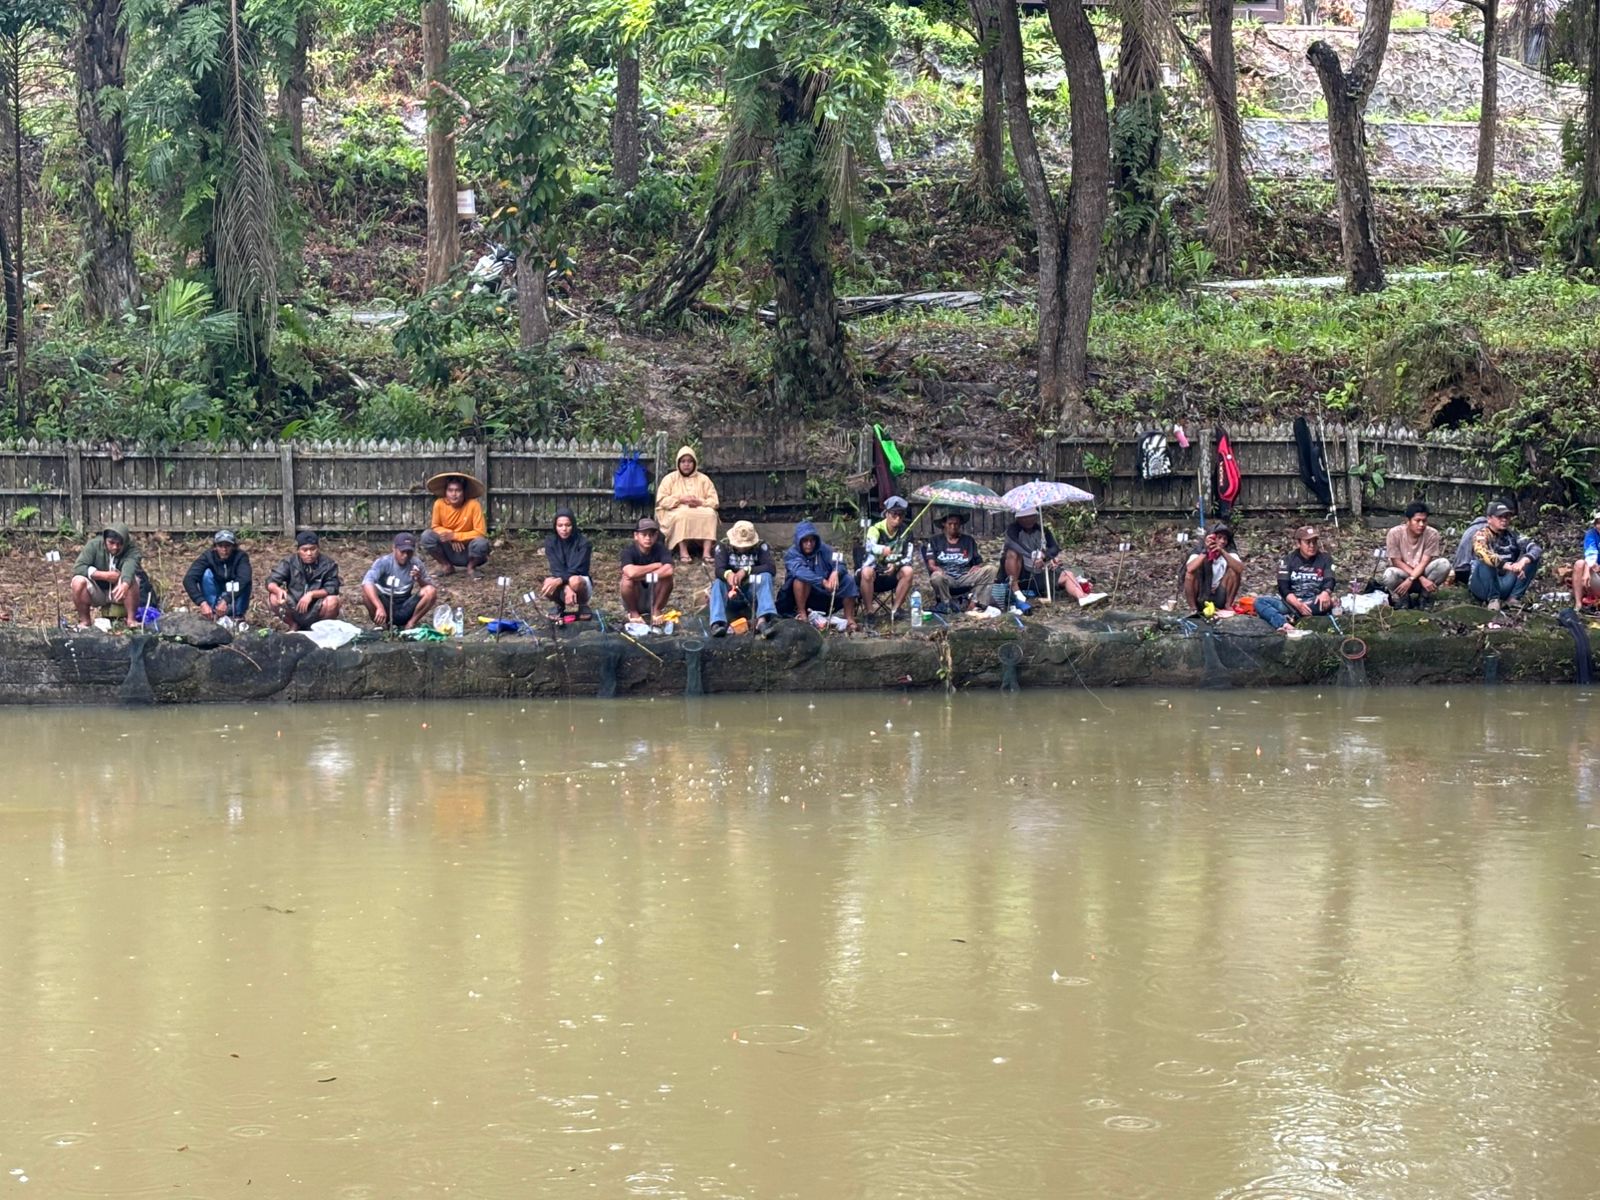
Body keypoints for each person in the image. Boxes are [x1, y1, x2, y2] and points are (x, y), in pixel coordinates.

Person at [1002, 507, 1107, 610]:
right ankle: (1015, 589)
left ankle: (1082, 597)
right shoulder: (1012, 530)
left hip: (1039, 573)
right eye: (1025, 518)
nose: (1028, 520)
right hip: (1021, 573)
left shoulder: (1042, 530)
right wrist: (1033, 555)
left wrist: (1046, 556)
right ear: (1018, 519)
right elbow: (1014, 544)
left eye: (1031, 517)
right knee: (1013, 553)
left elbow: (1054, 548)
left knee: (1067, 575)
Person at [1455, 500, 1541, 611]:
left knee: (1532, 559)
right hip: (1482, 585)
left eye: (1507, 517)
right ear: (1489, 519)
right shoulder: (1481, 534)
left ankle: (1514, 598)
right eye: (1500, 517)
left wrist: (1522, 562)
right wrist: (1509, 566)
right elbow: (1483, 553)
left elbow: (1535, 548)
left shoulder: (1513, 535)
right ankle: (1493, 599)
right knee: (1486, 561)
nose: (1504, 520)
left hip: (1505, 581)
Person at [1254, 525, 1335, 633]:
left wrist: (1326, 592)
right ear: (1298, 543)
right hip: (1292, 603)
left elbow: (1330, 580)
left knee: (1331, 602)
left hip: (1314, 601)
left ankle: (1295, 616)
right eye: (1308, 542)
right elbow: (1283, 587)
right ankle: (1283, 623)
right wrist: (1297, 604)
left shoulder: (1325, 559)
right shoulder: (1288, 560)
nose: (1312, 546)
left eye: (1314, 542)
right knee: (1259, 602)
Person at [781, 520, 859, 630]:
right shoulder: (792, 554)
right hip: (806, 593)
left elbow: (841, 563)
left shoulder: (824, 549)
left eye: (811, 540)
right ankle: (802, 613)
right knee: (801, 580)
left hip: (827, 592)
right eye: (805, 541)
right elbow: (800, 571)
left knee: (848, 580)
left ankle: (849, 619)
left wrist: (835, 571)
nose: (809, 544)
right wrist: (822, 581)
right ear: (799, 541)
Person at [710, 520, 778, 637]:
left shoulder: (761, 546)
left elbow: (771, 568)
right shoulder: (722, 546)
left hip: (751, 589)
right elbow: (718, 570)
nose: (743, 548)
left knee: (765, 577)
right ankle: (717, 623)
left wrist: (747, 570)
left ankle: (762, 621)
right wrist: (728, 574)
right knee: (717, 583)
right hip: (731, 591)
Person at [69, 522, 144, 629]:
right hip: (96, 591)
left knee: (133, 579)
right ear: (104, 540)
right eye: (111, 543)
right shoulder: (93, 545)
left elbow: (130, 566)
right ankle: (85, 621)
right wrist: (103, 575)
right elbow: (78, 567)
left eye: (119, 544)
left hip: (118, 591)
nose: (115, 547)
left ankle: (131, 620)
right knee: (77, 582)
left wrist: (125, 583)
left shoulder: (131, 550)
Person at [1380, 501, 1452, 608]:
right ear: (1407, 521)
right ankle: (1404, 599)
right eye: (1417, 521)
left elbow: (1424, 562)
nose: (1421, 525)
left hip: (1424, 573)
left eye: (1424, 521)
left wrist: (1414, 578)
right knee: (1388, 575)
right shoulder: (1394, 533)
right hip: (1404, 576)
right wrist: (1415, 578)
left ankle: (1424, 597)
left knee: (1444, 564)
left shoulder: (1432, 534)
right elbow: (1396, 562)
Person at [360, 533, 439, 630]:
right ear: (394, 549)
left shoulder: (416, 564)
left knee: (430, 591)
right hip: (385, 604)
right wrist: (379, 606)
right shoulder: (383, 562)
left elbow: (431, 588)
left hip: (404, 604)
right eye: (402, 551)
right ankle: (382, 626)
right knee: (366, 593)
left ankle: (410, 624)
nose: (405, 555)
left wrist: (419, 579)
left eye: (409, 552)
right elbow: (366, 582)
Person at [655, 445, 719, 564]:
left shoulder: (704, 479)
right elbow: (662, 500)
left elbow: (714, 501)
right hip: (676, 510)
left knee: (711, 514)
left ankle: (706, 552)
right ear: (678, 463)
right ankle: (683, 552)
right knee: (682, 515)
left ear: (694, 463)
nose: (686, 464)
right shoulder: (670, 479)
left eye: (690, 461)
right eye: (683, 461)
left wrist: (700, 502)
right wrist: (680, 499)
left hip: (700, 508)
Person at [923, 511, 998, 612]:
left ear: (960, 525)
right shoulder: (934, 541)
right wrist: (938, 570)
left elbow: (978, 560)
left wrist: (978, 566)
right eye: (950, 524)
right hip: (946, 576)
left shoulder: (969, 541)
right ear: (943, 524)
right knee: (936, 577)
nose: (953, 527)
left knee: (991, 569)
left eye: (956, 524)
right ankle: (946, 604)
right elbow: (931, 564)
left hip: (965, 576)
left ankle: (975, 603)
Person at [267, 531, 343, 630]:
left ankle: (320, 629)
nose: (309, 553)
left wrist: (311, 594)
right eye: (305, 550)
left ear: (318, 549)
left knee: (333, 601)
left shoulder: (328, 564)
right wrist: (278, 590)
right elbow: (271, 582)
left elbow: (332, 588)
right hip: (294, 604)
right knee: (273, 597)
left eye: (313, 549)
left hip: (317, 606)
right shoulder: (289, 562)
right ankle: (293, 625)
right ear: (298, 550)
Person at [858, 495, 918, 618]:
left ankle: (895, 610)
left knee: (908, 571)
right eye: (894, 514)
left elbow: (908, 557)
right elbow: (870, 547)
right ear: (886, 514)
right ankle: (870, 612)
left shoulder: (907, 532)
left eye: (901, 515)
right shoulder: (875, 529)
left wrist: (896, 564)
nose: (897, 518)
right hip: (874, 573)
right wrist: (882, 549)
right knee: (866, 572)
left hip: (893, 573)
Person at [421, 473, 491, 577]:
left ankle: (471, 567)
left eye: (458, 490)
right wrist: (450, 537)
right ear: (446, 492)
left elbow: (480, 532)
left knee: (482, 543)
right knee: (427, 536)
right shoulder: (439, 504)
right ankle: (446, 566)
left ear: (464, 492)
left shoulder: (473, 505)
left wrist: (456, 536)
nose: (454, 494)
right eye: (450, 490)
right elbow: (435, 526)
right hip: (448, 549)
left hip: (468, 550)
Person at [182, 529, 253, 622]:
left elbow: (244, 579)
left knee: (245, 582)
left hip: (234, 596)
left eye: (228, 546)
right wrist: (201, 602)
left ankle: (238, 616)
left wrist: (226, 600)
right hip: (215, 593)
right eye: (220, 546)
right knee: (206, 574)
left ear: (233, 547)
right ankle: (212, 613)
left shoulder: (241, 557)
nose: (224, 550)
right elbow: (189, 579)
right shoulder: (208, 556)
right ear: (215, 547)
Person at [540, 506, 593, 622]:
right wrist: (565, 587)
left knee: (575, 580)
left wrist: (565, 583)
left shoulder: (584, 543)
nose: (564, 529)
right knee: (547, 583)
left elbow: (578, 568)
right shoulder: (550, 542)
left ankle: (583, 605)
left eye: (568, 525)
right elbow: (556, 569)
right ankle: (559, 605)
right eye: (560, 525)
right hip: (561, 580)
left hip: (580, 582)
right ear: (555, 526)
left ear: (573, 525)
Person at [619, 516, 674, 624]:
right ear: (636, 536)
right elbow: (630, 572)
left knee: (668, 578)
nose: (648, 538)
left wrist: (643, 576)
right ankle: (633, 612)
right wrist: (656, 565)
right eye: (644, 534)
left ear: (656, 535)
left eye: (651, 535)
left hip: (654, 591)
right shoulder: (628, 551)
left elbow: (669, 570)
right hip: (635, 594)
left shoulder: (661, 549)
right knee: (626, 580)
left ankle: (656, 609)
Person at [1180, 524, 1244, 613]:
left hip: (1219, 595)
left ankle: (1228, 605)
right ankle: (1193, 608)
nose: (1222, 541)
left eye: (1225, 539)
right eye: (1219, 537)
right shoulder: (1199, 551)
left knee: (1234, 571)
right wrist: (1206, 551)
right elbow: (1190, 569)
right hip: (1201, 596)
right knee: (1190, 574)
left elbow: (1239, 569)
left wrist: (1222, 551)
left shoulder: (1229, 552)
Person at [1572, 511, 1600, 611]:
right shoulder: (1592, 534)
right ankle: (1578, 605)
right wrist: (1587, 570)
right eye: (1597, 523)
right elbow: (1591, 554)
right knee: (1579, 564)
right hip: (1596, 576)